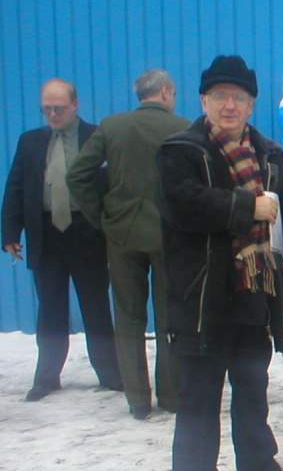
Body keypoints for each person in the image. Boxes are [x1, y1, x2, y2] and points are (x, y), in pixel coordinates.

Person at [159, 55, 283, 471]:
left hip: (255, 290)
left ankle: (258, 469)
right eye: (220, 97)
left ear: (251, 104)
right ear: (203, 101)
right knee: (200, 395)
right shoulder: (181, 151)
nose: (229, 105)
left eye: (238, 97)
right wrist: (246, 207)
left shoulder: (269, 155)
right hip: (203, 294)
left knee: (253, 388)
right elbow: (183, 205)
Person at [67, 69, 189, 419]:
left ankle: (137, 398)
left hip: (122, 232)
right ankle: (171, 394)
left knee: (128, 317)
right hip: (170, 235)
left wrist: (101, 216)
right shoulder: (183, 128)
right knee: (170, 317)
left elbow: (77, 175)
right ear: (165, 92)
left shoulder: (112, 126)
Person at [2, 78, 121, 401]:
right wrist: (10, 232)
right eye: (47, 109)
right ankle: (47, 376)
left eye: (59, 108)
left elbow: (113, 186)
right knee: (50, 308)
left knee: (95, 305)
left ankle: (110, 373)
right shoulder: (30, 141)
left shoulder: (97, 137)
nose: (53, 114)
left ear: (75, 105)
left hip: (87, 233)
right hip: (45, 234)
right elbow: (16, 186)